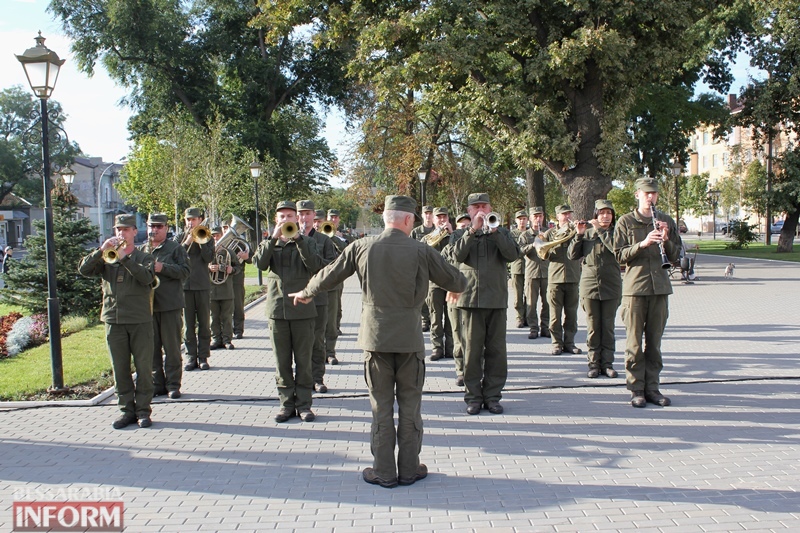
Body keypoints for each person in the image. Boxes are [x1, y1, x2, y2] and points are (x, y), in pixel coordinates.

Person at [289, 195, 467, 488]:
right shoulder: (421, 250)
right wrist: (454, 289)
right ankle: (409, 469)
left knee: (380, 407)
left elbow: (330, 275)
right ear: (408, 220)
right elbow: (457, 281)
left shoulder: (361, 247)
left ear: (386, 218)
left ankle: (383, 471)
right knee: (410, 407)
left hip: (375, 340)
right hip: (409, 341)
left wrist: (307, 291)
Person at [79, 214, 156, 429]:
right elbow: (84, 270)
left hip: (139, 320)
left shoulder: (144, 257)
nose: (121, 233)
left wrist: (124, 258)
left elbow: (147, 278)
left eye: (125, 229)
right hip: (114, 319)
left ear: (134, 232)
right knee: (120, 369)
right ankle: (126, 411)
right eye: (118, 230)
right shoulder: (106, 257)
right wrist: (100, 250)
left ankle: (143, 411)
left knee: (143, 368)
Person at [253, 201, 324, 422]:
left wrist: (299, 240)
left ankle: (304, 405)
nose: (286, 220)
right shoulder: (269, 243)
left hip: (302, 310)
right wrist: (273, 238)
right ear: (276, 220)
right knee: (282, 362)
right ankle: (286, 405)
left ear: (297, 219)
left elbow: (315, 266)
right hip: (277, 310)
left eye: (290, 216)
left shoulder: (308, 242)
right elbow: (260, 265)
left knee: (304, 361)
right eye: (281, 217)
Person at [449, 193, 520, 415]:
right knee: (471, 352)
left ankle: (493, 397)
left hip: (496, 300)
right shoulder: (461, 233)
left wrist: (495, 231)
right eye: (476, 207)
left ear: (491, 208)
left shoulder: (501, 231)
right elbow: (456, 256)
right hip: (470, 301)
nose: (480, 210)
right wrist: (472, 231)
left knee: (497, 352)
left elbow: (513, 254)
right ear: (469, 211)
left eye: (484, 206)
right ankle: (473, 397)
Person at [614, 178, 681, 408]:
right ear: (637, 195)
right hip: (635, 289)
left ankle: (653, 387)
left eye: (653, 193)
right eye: (646, 193)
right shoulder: (625, 221)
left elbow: (676, 257)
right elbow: (619, 255)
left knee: (654, 343)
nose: (650, 197)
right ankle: (636, 389)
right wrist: (642, 244)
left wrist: (667, 239)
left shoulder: (666, 220)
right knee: (634, 344)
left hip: (660, 289)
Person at [568, 200, 622, 378]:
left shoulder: (618, 233)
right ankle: (593, 364)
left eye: (609, 213)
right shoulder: (587, 233)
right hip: (590, 285)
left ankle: (607, 363)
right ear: (596, 215)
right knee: (592, 327)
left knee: (608, 327)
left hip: (611, 285)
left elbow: (616, 250)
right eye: (601, 213)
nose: (605, 216)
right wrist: (578, 235)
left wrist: (600, 230)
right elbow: (572, 255)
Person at [141, 213, 190, 399]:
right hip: (148, 307)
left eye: (159, 226)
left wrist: (164, 268)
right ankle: (156, 384)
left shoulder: (175, 248)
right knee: (151, 349)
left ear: (166, 228)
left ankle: (173, 385)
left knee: (172, 348)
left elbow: (186, 271)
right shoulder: (142, 249)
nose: (154, 230)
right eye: (151, 226)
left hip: (170, 305)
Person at [297, 200, 337, 394]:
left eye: (307, 214)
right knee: (299, 342)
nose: (304, 218)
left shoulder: (324, 240)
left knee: (317, 340)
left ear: (315, 216)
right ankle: (301, 379)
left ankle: (317, 378)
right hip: (295, 297)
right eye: (301, 214)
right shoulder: (287, 237)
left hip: (318, 298)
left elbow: (330, 268)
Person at [175, 208, 215, 371]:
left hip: (202, 285)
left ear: (200, 220)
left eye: (194, 219)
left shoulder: (208, 236)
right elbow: (176, 256)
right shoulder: (179, 237)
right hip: (185, 286)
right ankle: (191, 357)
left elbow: (209, 258)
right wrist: (188, 241)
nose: (190, 222)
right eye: (188, 219)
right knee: (188, 324)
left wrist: (202, 241)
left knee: (204, 323)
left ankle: (203, 356)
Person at [540, 204, 582, 355]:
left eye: (569, 213)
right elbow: (543, 252)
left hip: (572, 276)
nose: (567, 217)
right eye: (564, 214)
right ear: (557, 216)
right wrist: (553, 246)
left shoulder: (575, 231)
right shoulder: (550, 233)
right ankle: (556, 343)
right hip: (555, 278)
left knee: (571, 314)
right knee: (555, 314)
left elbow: (579, 250)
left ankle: (570, 342)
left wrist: (578, 234)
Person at [445, 213, 470, 386]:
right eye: (462, 227)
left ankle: (474, 369)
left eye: (468, 227)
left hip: (473, 294)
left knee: (473, 336)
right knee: (457, 334)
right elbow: (449, 258)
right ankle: (460, 370)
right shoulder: (451, 242)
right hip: (455, 293)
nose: (465, 230)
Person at [518, 207, 550, 340]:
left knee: (547, 302)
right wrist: (533, 245)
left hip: (547, 272)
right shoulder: (525, 235)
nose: (538, 219)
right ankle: (533, 328)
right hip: (532, 272)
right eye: (535, 216)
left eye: (540, 216)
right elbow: (519, 252)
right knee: (531, 303)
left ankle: (545, 327)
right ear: (530, 218)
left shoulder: (548, 233)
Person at [427, 207, 455, 361]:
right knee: (436, 318)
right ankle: (437, 348)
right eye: (439, 217)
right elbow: (424, 250)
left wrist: (451, 233)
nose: (442, 220)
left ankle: (451, 348)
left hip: (450, 282)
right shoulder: (428, 237)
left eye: (444, 217)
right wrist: (437, 234)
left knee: (451, 318)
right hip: (434, 283)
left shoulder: (454, 235)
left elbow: (459, 251)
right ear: (433, 220)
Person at [209, 226, 241, 350]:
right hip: (212, 290)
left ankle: (227, 340)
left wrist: (231, 269)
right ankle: (216, 339)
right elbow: (199, 266)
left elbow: (238, 267)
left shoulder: (229, 252)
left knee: (227, 317)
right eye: (213, 236)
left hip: (227, 290)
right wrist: (208, 268)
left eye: (218, 235)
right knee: (213, 317)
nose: (216, 238)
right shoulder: (208, 252)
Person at [325, 208, 350, 364]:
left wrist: (334, 237)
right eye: (331, 217)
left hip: (335, 279)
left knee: (334, 312)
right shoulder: (317, 233)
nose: (333, 220)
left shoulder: (342, 236)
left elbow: (346, 252)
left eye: (336, 217)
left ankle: (330, 351)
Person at [222, 218, 250, 340]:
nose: (226, 231)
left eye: (227, 228)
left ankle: (238, 330)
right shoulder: (219, 245)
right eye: (224, 229)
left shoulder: (240, 243)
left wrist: (245, 256)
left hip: (237, 278)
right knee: (224, 306)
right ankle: (224, 332)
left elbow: (251, 258)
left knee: (238, 305)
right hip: (223, 278)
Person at [410, 205, 435, 332]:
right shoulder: (416, 231)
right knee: (423, 295)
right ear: (423, 215)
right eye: (426, 213)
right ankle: (425, 320)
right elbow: (410, 247)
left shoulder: (438, 230)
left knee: (435, 297)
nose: (428, 216)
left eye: (430, 213)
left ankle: (435, 321)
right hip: (421, 267)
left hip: (435, 267)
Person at [510, 210, 529, 328]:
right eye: (520, 218)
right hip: (517, 266)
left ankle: (528, 317)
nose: (522, 221)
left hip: (530, 268)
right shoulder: (512, 234)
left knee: (529, 295)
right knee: (518, 295)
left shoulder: (531, 233)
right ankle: (519, 317)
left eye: (524, 218)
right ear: (516, 220)